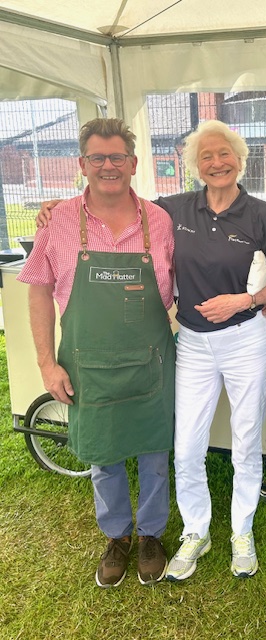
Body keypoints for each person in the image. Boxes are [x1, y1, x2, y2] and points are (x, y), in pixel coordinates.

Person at [19, 118, 176, 588]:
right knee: (103, 455)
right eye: (97, 157)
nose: (109, 166)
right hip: (87, 362)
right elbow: (38, 290)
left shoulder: (160, 221)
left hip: (149, 360)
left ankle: (151, 534)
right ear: (82, 163)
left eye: (117, 157)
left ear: (133, 162)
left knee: (153, 451)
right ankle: (117, 535)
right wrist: (46, 363)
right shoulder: (58, 221)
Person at [157, 120, 266, 580]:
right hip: (193, 344)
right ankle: (196, 530)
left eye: (225, 154)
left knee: (246, 442)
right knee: (186, 447)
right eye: (206, 156)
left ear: (239, 159)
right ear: (195, 165)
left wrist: (246, 300)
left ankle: (241, 530)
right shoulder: (174, 208)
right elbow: (121, 207)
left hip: (245, 339)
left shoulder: (261, 214)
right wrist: (60, 208)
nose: (217, 163)